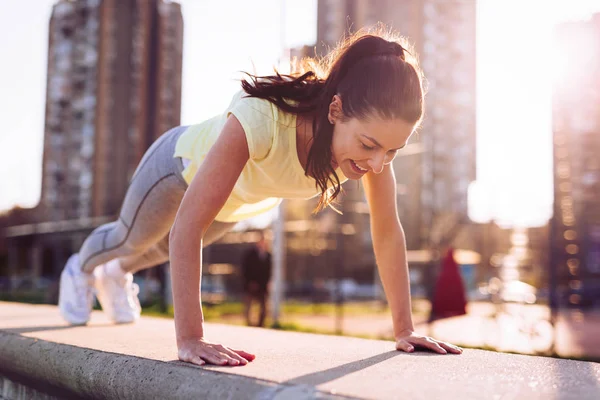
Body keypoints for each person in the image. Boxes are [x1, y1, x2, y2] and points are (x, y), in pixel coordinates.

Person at [58, 26, 463, 367]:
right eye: (370, 144)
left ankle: (115, 274)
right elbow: (189, 225)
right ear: (336, 109)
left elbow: (388, 233)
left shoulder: (372, 151)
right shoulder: (262, 118)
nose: (378, 164)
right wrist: (191, 339)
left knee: (154, 252)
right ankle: (81, 268)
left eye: (392, 151)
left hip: (236, 202)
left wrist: (405, 329)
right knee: (128, 239)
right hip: (176, 171)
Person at [240, 232, 272, 327]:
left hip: (263, 285)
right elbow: (245, 269)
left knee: (264, 306)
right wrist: (250, 282)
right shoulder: (250, 254)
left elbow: (269, 271)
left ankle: (261, 325)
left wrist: (268, 283)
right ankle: (249, 324)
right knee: (249, 305)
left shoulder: (268, 255)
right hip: (251, 284)